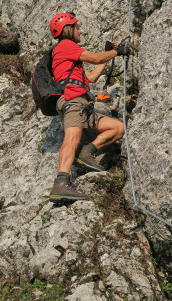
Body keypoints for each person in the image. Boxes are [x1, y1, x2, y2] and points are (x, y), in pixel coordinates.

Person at [47, 12, 129, 202]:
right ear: (69, 29)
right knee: (72, 137)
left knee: (117, 128)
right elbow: (94, 58)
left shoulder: (71, 61)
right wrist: (117, 52)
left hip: (82, 105)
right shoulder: (66, 45)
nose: (80, 31)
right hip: (72, 101)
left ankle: (87, 151)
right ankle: (61, 181)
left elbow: (91, 77)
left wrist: (107, 55)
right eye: (77, 27)